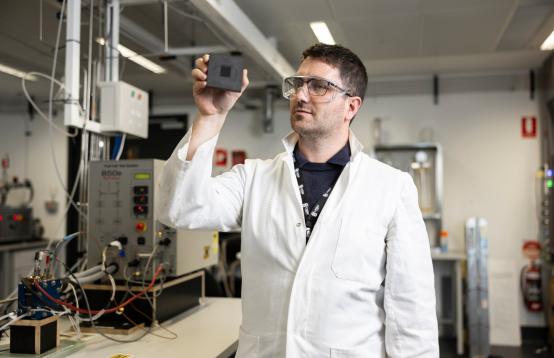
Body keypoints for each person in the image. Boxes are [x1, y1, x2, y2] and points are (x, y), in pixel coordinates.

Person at [157, 43, 438, 357]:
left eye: (319, 86)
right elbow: (179, 209)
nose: (301, 95)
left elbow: (411, 310)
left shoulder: (391, 187)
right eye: (298, 84)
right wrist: (211, 117)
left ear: (351, 106)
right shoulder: (253, 178)